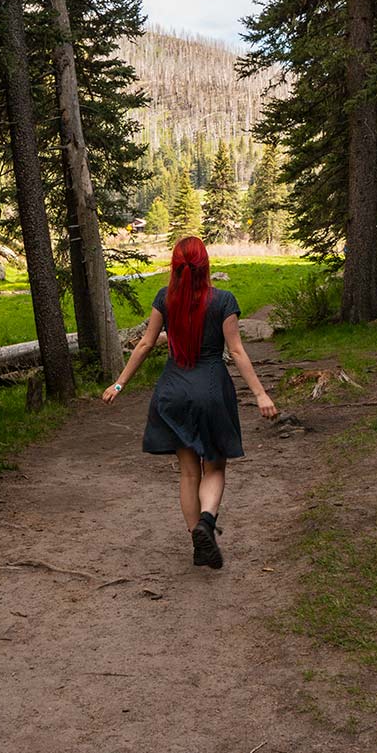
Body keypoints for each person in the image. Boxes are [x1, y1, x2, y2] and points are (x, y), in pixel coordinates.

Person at [102, 237, 278, 569]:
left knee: (187, 474)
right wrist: (260, 394)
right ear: (206, 264)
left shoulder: (164, 299)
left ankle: (197, 540)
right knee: (214, 466)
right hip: (211, 391)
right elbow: (237, 351)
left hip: (173, 393)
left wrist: (118, 383)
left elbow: (144, 344)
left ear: (175, 266)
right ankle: (206, 524)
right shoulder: (224, 300)